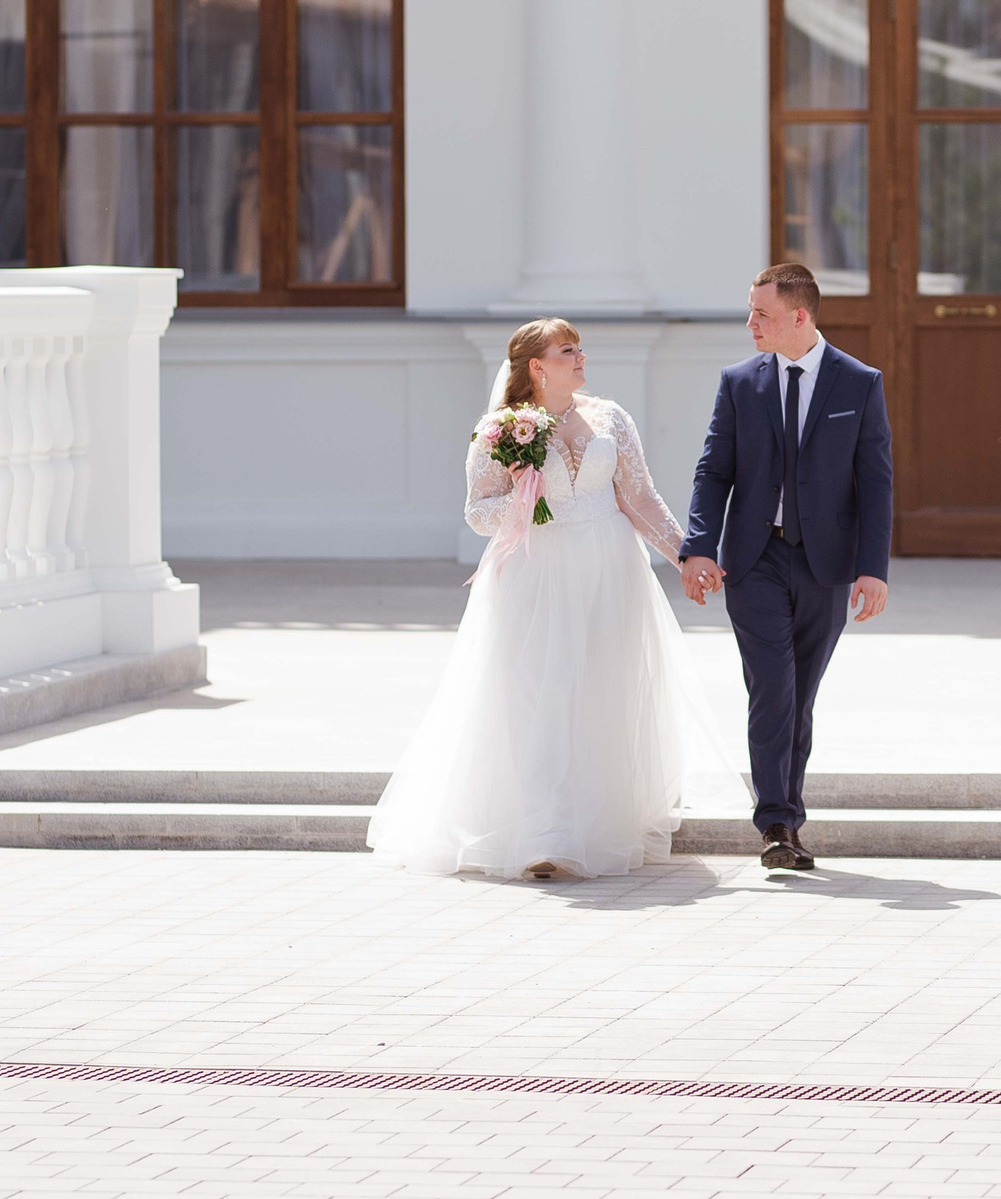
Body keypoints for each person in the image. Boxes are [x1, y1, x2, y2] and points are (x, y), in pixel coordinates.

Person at [367, 319, 734, 881]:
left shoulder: (611, 418)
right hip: (537, 574)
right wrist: (523, 493)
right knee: (541, 694)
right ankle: (544, 834)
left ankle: (596, 825)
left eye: (579, 347)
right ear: (537, 367)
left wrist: (687, 555)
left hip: (610, 569)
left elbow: (639, 497)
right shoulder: (500, 429)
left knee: (601, 689)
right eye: (568, 350)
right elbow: (476, 512)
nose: (581, 356)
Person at [680, 263, 895, 871]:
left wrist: (872, 568)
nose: (751, 323)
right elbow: (712, 470)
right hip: (754, 560)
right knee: (772, 687)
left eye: (762, 314)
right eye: (750, 311)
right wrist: (699, 547)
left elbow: (875, 483)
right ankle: (777, 823)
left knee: (799, 697)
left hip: (826, 566)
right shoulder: (738, 382)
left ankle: (786, 816)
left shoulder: (858, 382)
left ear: (799, 316)